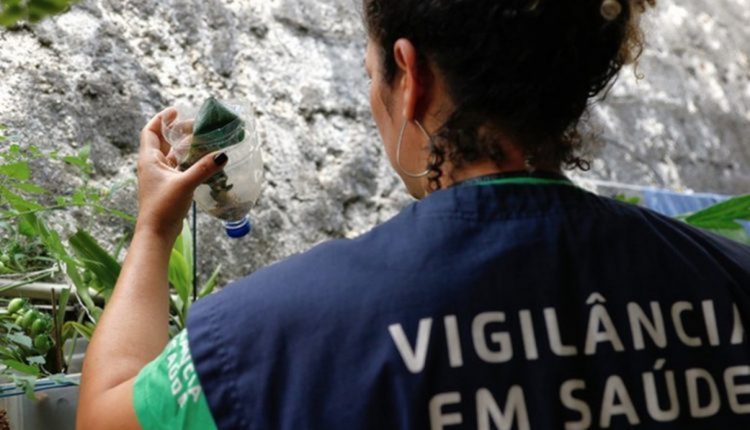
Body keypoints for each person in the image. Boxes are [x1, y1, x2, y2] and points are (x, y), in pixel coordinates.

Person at [77, 0, 750, 429]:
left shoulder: (265, 337)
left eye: (374, 72)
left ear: (411, 74)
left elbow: (106, 413)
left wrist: (154, 228)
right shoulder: (731, 279)